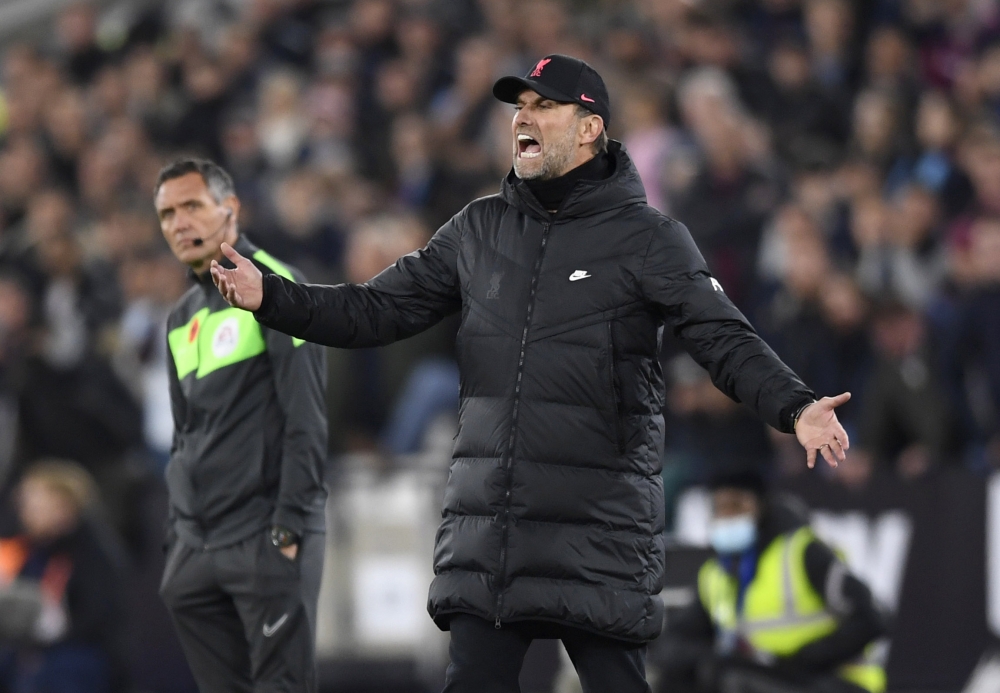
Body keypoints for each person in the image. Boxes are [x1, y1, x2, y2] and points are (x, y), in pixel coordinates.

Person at [210, 55, 852, 692]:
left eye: (545, 105)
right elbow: (373, 309)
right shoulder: (477, 230)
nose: (523, 117)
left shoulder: (649, 238)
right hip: (492, 532)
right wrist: (272, 297)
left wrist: (795, 407)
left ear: (590, 128)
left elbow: (723, 337)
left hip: (596, 528)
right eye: (520, 106)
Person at [153, 158, 328, 693]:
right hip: (197, 547)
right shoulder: (181, 318)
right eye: (167, 214)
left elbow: (306, 418)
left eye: (192, 206)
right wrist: (178, 538)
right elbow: (183, 435)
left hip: (263, 534)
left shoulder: (277, 287)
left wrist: (289, 528)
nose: (179, 223)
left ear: (230, 209)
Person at [656, 470, 887, 693]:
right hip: (772, 678)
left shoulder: (801, 553)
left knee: (734, 680)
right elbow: (678, 640)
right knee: (687, 677)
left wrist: (799, 661)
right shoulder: (714, 574)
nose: (728, 516)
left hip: (834, 681)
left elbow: (872, 619)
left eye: (737, 506)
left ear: (761, 508)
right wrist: (709, 659)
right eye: (720, 508)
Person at [0, 459, 125, 693]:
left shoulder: (94, 553)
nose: (24, 509)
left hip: (79, 653)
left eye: (35, 503)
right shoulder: (28, 546)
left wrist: (49, 630)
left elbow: (98, 618)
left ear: (62, 506)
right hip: (28, 648)